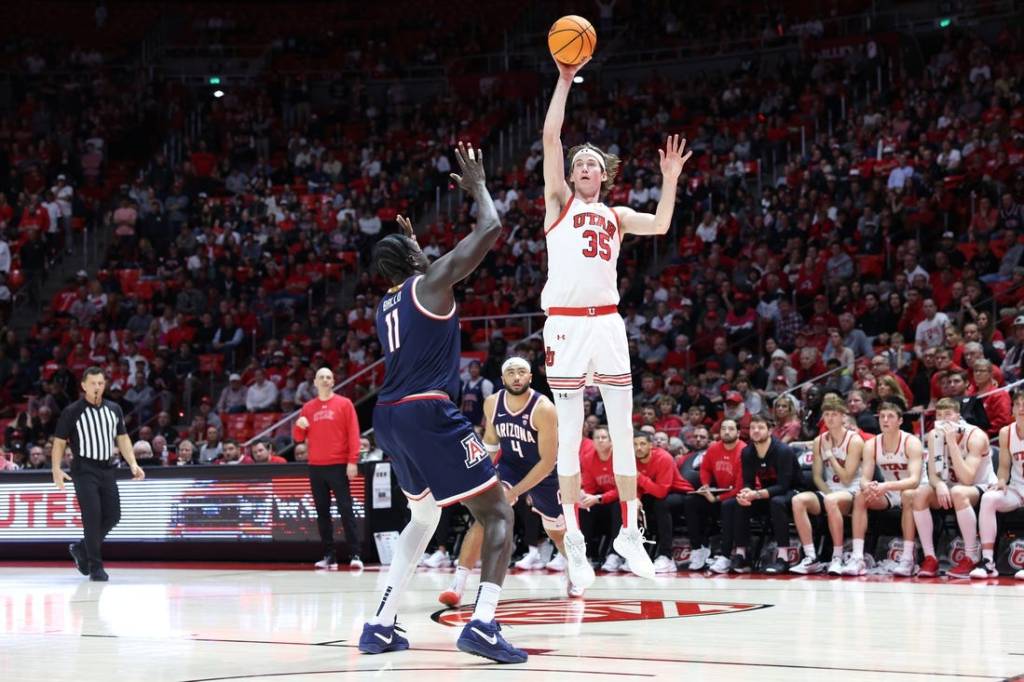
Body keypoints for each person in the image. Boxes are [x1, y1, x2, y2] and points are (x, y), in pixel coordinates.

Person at [359, 144, 525, 663]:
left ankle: (380, 624)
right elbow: (491, 229)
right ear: (414, 262)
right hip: (428, 412)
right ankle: (482, 623)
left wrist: (411, 248)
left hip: (387, 416)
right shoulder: (430, 283)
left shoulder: (388, 302)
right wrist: (477, 186)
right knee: (498, 514)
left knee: (424, 518)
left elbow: (428, 278)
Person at [540, 52, 692, 588]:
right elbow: (551, 137)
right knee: (571, 437)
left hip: (607, 323)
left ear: (604, 176)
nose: (584, 169)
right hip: (564, 325)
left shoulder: (617, 216)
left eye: (593, 165)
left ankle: (630, 533)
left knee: (623, 430)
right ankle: (575, 543)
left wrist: (669, 178)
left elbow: (664, 222)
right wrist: (563, 81)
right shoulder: (557, 201)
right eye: (579, 164)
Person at [439, 357, 583, 606]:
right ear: (503, 379)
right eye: (511, 373)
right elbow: (492, 444)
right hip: (511, 467)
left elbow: (547, 462)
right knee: (486, 516)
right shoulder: (492, 403)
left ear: (530, 377)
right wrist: (478, 479)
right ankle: (458, 584)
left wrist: (515, 492)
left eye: (522, 372)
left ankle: (575, 570)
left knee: (556, 533)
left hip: (545, 474)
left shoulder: (544, 408)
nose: (516, 377)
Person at [52, 367, 145, 581]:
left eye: (100, 383)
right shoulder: (72, 411)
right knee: (92, 517)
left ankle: (82, 548)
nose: (97, 387)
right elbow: (58, 442)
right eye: (93, 383)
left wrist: (132, 463)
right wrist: (56, 469)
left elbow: (122, 438)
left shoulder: (114, 409)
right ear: (83, 385)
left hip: (107, 468)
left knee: (113, 514)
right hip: (84, 469)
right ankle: (95, 566)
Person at [912, 398, 994, 577]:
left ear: (958, 416)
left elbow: (966, 478)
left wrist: (953, 443)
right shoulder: (935, 435)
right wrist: (940, 484)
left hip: (979, 486)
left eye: (947, 415)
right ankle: (930, 558)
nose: (943, 419)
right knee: (919, 494)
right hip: (950, 487)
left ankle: (971, 556)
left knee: (958, 491)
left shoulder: (976, 436)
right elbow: (933, 474)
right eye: (939, 415)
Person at [293, 366, 363, 570]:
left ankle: (355, 554)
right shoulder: (307, 408)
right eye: (321, 377)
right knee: (322, 512)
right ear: (314, 382)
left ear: (333, 382)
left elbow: (353, 433)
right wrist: (299, 426)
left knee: (346, 510)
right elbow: (298, 439)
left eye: (328, 377)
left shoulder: (345, 404)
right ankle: (328, 556)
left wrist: (352, 461)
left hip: (339, 465)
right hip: (316, 466)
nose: (325, 380)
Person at [843, 402, 925, 576]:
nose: (885, 420)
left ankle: (907, 558)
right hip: (889, 489)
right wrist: (869, 486)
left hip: (915, 490)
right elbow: (864, 479)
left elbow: (914, 480)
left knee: (908, 495)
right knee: (860, 496)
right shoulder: (871, 444)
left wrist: (885, 485)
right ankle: (858, 557)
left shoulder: (912, 442)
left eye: (890, 416)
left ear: (900, 421)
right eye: (882, 416)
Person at [789, 396, 864, 575]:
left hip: (852, 492)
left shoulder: (854, 440)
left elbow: (846, 478)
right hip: (830, 491)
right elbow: (817, 476)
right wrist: (828, 494)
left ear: (843, 417)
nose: (830, 418)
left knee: (831, 500)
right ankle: (811, 557)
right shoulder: (819, 441)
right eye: (827, 414)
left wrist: (830, 454)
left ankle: (836, 557)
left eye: (834, 414)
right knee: (798, 500)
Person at [722, 415, 800, 573]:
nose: (756, 431)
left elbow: (784, 486)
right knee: (735, 503)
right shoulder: (747, 452)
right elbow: (749, 482)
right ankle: (741, 554)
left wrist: (756, 494)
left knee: (777, 502)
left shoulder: (783, 450)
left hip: (793, 492)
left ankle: (783, 557)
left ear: (770, 430)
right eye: (752, 428)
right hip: (766, 494)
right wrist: (746, 492)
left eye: (760, 427)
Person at [971, 389, 1024, 579]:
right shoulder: (1005, 433)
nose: (1021, 408)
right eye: (1018, 404)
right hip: (1018, 489)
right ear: (1012, 408)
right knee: (989, 498)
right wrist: (1001, 480)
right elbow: (1003, 466)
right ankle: (987, 562)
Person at [691, 420, 744, 573]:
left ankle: (725, 556)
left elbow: (741, 487)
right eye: (723, 429)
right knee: (691, 501)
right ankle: (698, 549)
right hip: (719, 491)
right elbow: (705, 469)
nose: (727, 432)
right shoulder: (713, 448)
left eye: (731, 429)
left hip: (741, 494)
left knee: (728, 505)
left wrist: (717, 499)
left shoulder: (744, 450)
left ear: (738, 433)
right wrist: (706, 485)